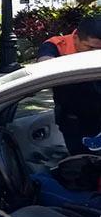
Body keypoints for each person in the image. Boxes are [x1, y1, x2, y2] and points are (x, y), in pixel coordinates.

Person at [36, 16, 101, 155]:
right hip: (73, 120)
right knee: (82, 163)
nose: (94, 54)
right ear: (76, 37)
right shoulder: (57, 45)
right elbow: (44, 64)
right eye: (89, 47)